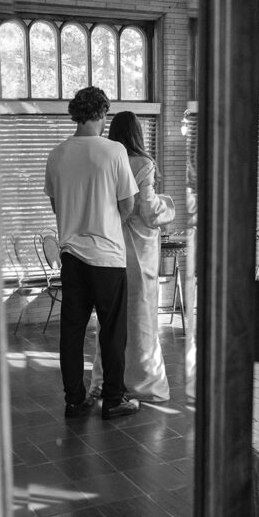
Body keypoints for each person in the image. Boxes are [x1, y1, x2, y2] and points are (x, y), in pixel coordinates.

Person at [44, 87, 140, 420]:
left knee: (71, 331)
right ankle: (114, 399)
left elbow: (56, 205)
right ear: (103, 113)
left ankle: (74, 400)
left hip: (71, 256)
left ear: (75, 113)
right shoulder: (114, 151)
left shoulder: (57, 154)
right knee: (113, 331)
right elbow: (128, 204)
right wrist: (108, 221)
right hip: (108, 258)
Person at [90, 110, 176, 402]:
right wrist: (169, 206)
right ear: (138, 133)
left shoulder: (107, 160)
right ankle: (142, 381)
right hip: (139, 248)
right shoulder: (143, 163)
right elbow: (149, 211)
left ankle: (107, 379)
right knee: (140, 313)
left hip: (112, 243)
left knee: (111, 315)